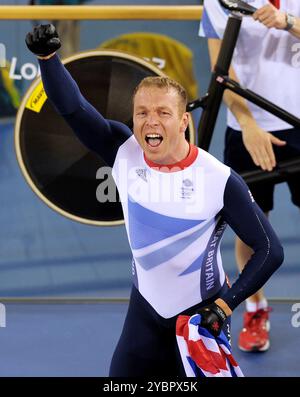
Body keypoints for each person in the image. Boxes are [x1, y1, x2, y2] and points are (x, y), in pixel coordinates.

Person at [25, 24, 284, 376]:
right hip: (144, 313)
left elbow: (269, 250)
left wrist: (224, 307)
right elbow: (73, 109)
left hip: (199, 319)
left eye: (163, 112)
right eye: (142, 112)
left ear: (183, 121)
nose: (151, 121)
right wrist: (48, 59)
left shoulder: (218, 179)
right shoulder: (123, 150)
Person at [200, 0, 300, 352]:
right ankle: (255, 307)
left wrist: (287, 21)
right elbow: (220, 67)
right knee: (252, 227)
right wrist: (248, 125)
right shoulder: (217, 0)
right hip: (247, 130)